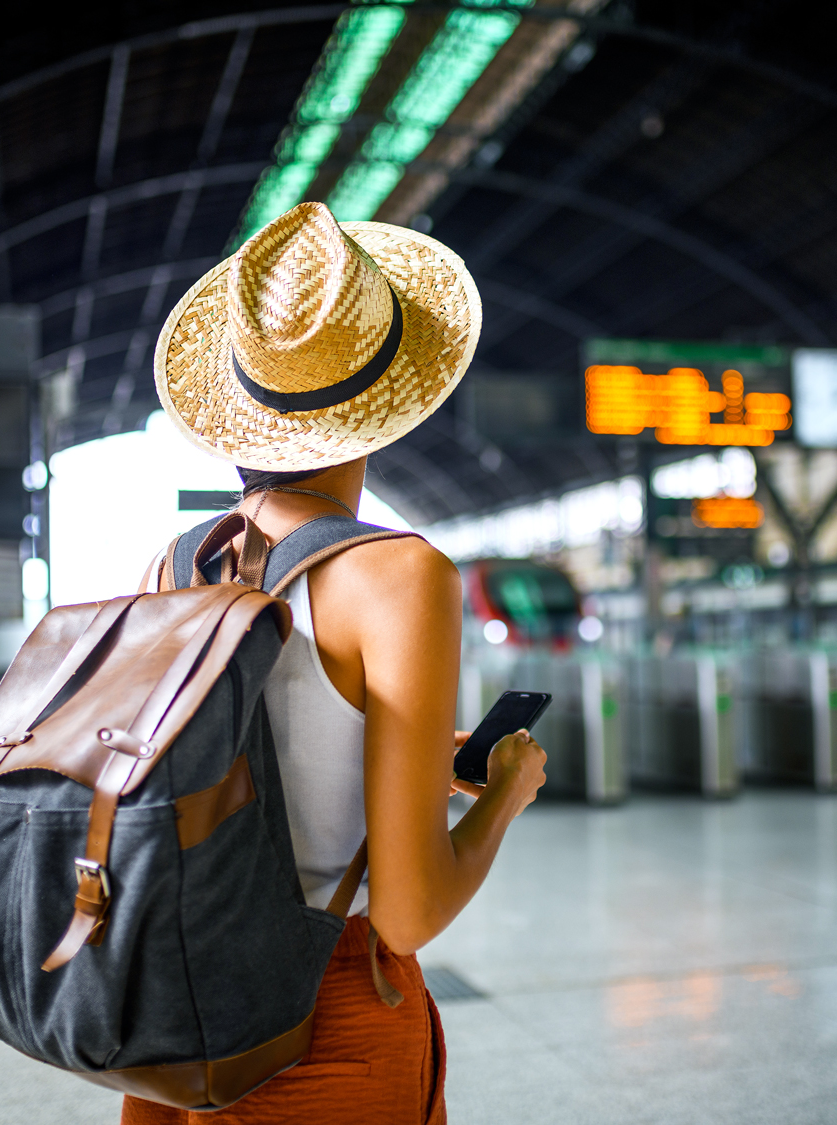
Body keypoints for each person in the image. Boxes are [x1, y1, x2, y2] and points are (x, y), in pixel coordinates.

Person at [120, 202, 547, 1124]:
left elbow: (238, 768)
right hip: (325, 1026)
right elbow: (406, 914)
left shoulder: (174, 561)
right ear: (383, 404)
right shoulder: (399, 573)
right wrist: (506, 792)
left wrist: (424, 762)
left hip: (169, 1018)